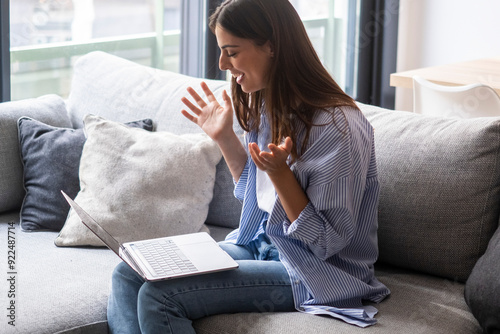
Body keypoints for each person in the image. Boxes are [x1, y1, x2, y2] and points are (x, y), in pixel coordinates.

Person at [107, 0, 390, 332]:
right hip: (260, 246)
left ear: (270, 46)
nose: (222, 63)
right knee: (128, 273)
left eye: (232, 51)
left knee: (161, 295)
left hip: (312, 269)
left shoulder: (337, 126)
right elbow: (260, 197)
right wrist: (225, 138)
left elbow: (327, 242)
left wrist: (281, 175)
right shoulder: (270, 103)